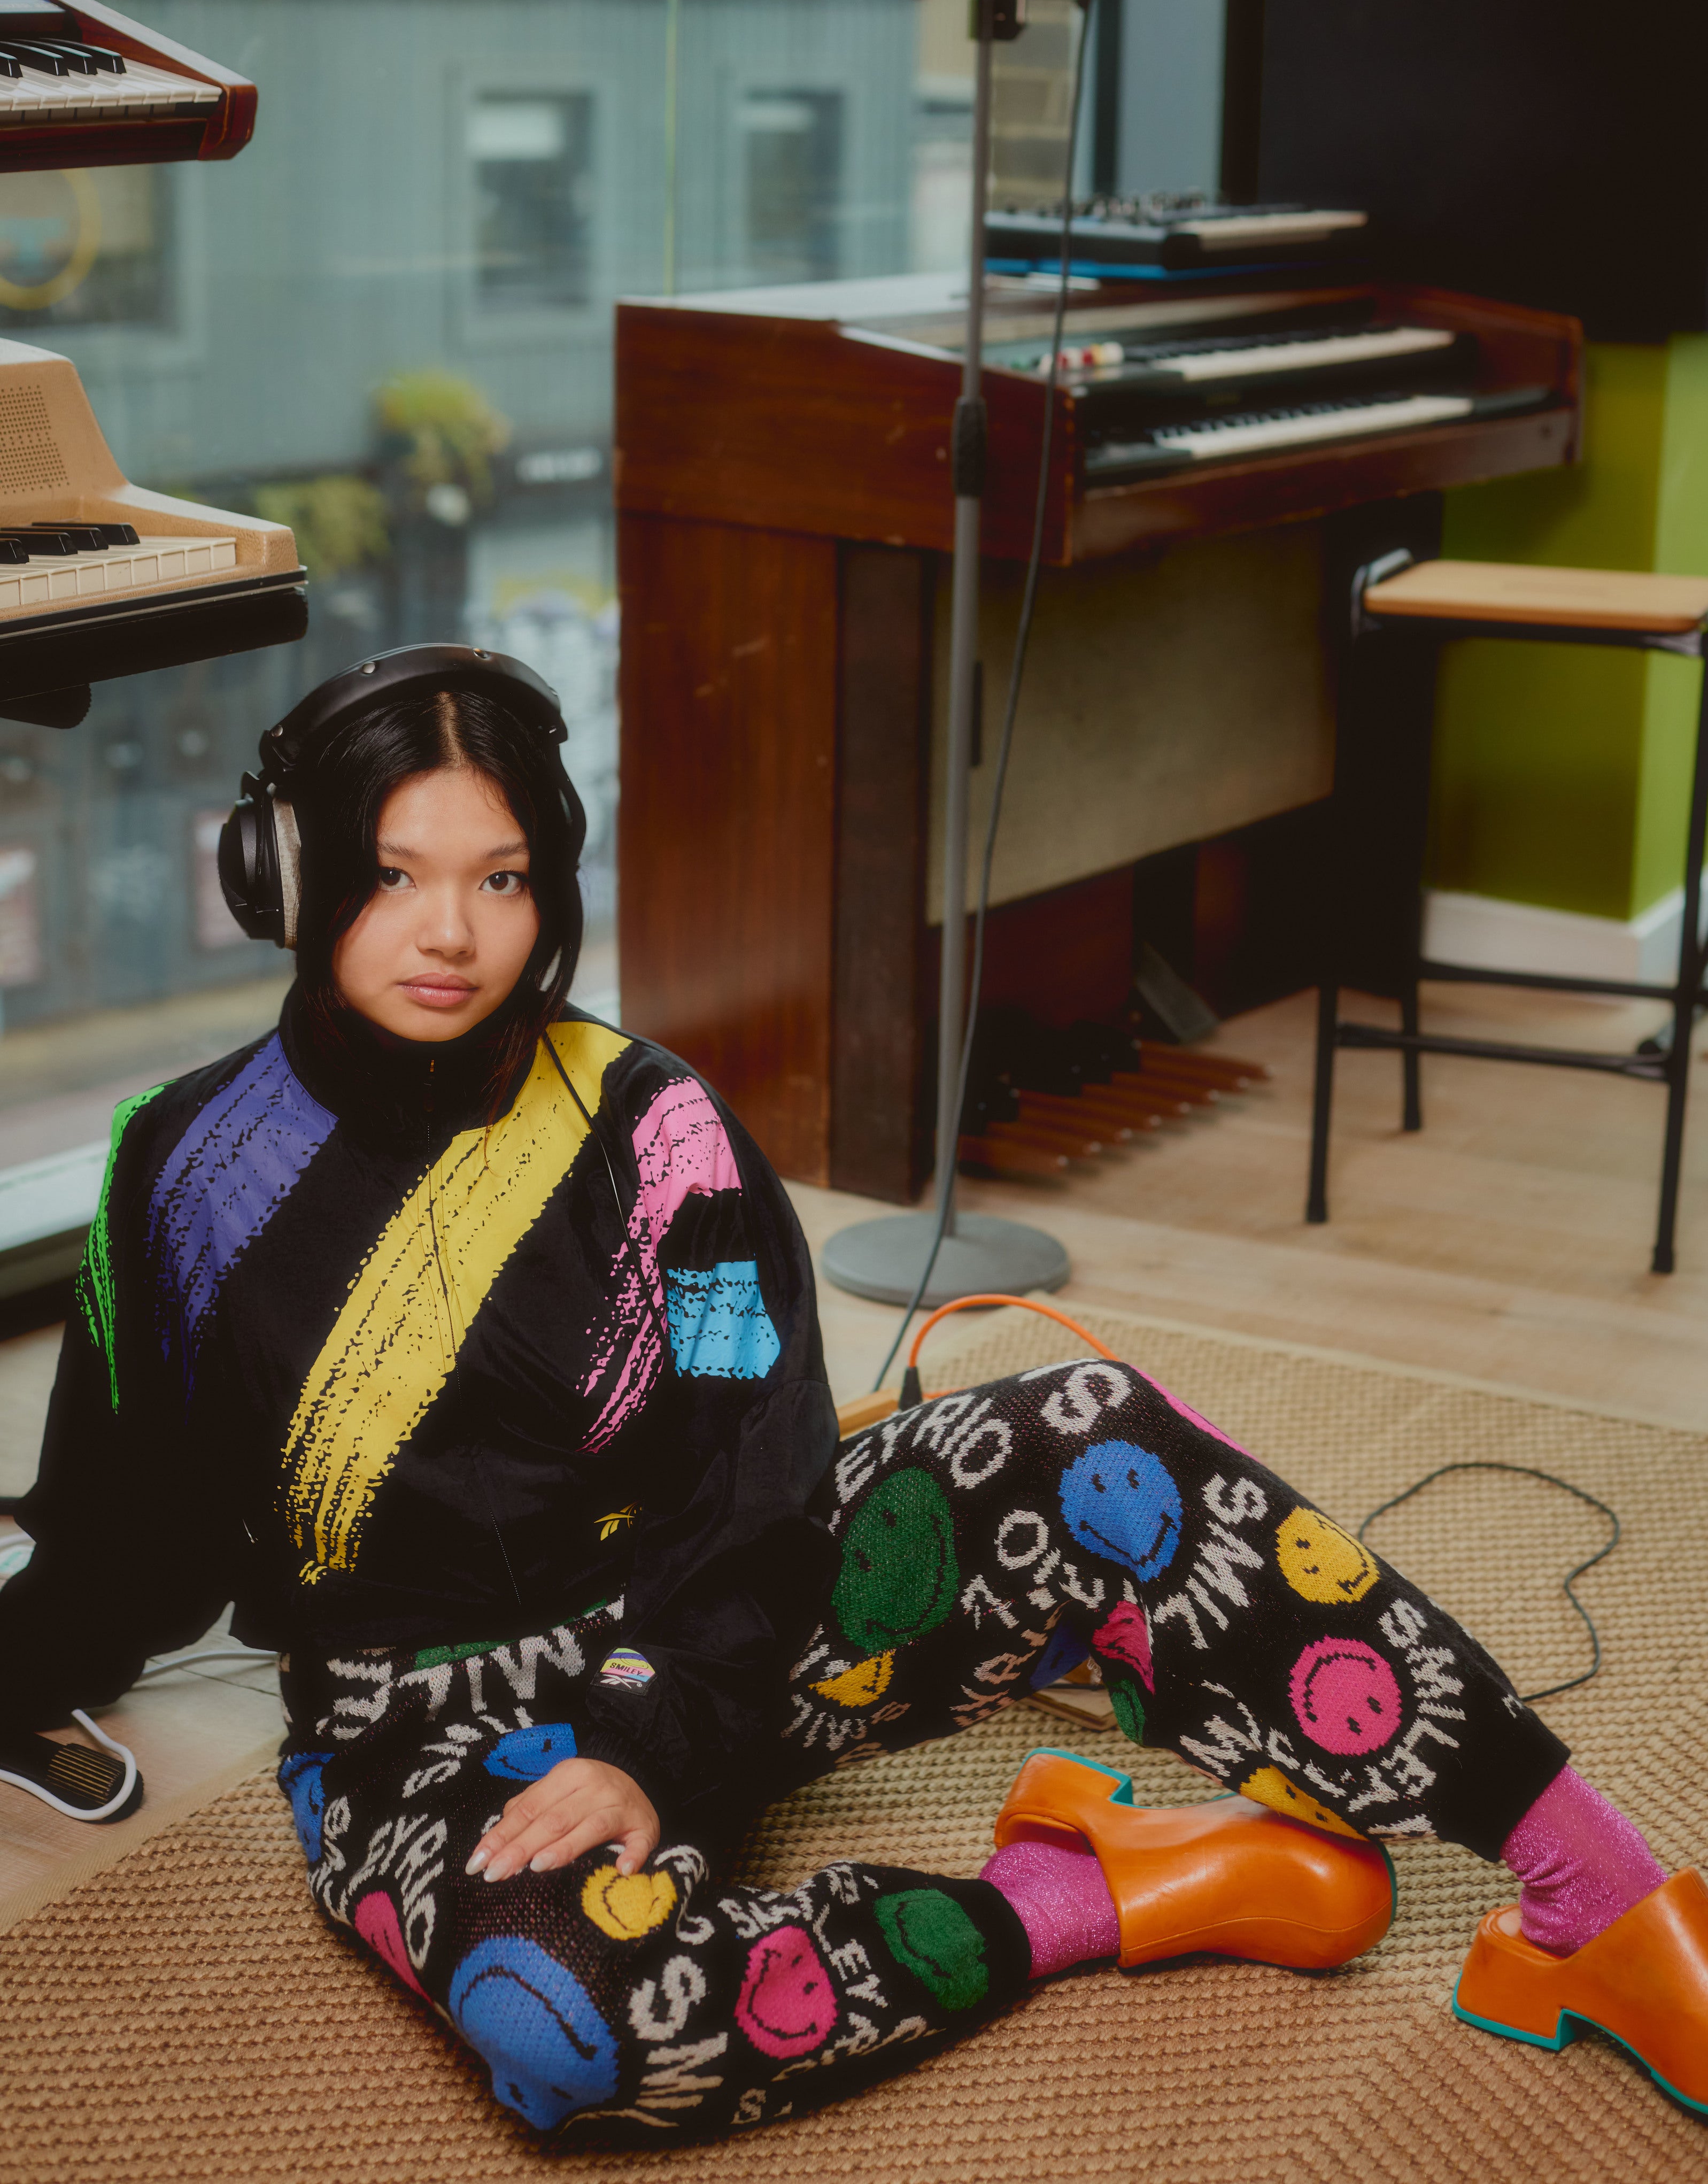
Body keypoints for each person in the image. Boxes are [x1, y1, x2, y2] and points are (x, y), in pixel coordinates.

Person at [0, 645, 1700, 2138]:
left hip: (722, 1620)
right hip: (414, 1724)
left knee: (1089, 1439)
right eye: (391, 876)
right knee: (582, 2035)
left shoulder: (661, 1135)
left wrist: (656, 1729)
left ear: (557, 883)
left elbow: (756, 1460)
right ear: (274, 871)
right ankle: (1079, 1889)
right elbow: (121, 1529)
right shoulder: (175, 1173)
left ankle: (1599, 1909)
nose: (452, 934)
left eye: (504, 879)